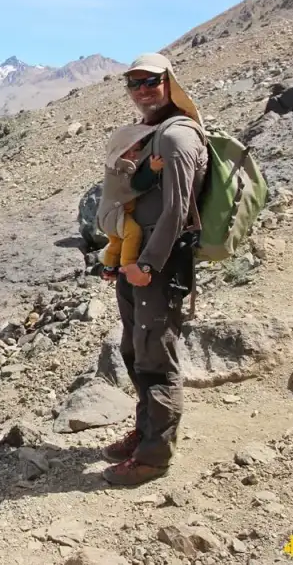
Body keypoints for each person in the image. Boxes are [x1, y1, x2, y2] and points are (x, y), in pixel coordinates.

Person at [99, 52, 208, 486]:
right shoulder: (152, 133)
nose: (143, 89)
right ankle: (145, 433)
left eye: (151, 81)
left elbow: (179, 209)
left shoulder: (178, 137)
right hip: (135, 264)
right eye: (135, 82)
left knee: (156, 359)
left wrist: (146, 263)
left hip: (156, 267)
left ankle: (153, 459)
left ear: (169, 82)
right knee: (136, 350)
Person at [97, 127, 166, 280]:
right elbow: (138, 185)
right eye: (127, 150)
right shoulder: (119, 168)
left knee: (116, 243)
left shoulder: (116, 166)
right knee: (133, 233)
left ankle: (109, 269)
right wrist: (153, 169)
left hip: (108, 216)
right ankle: (128, 266)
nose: (132, 154)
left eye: (137, 150)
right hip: (114, 215)